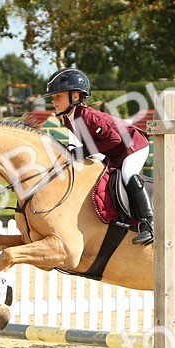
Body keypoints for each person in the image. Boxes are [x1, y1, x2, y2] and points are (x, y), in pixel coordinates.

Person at [44, 68, 154, 245]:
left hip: (133, 146)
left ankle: (149, 223)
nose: (53, 100)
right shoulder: (68, 118)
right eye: (53, 97)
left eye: (58, 96)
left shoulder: (89, 117)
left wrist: (84, 151)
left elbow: (114, 139)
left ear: (75, 97)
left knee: (127, 174)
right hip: (115, 152)